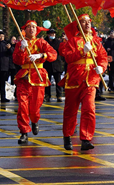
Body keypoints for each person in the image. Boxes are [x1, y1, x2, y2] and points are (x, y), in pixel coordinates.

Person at [59, 14, 108, 150]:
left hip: (91, 78)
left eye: (88, 22)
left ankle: (86, 138)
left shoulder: (96, 41)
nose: (87, 24)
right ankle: (67, 135)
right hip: (75, 78)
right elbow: (68, 57)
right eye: (83, 22)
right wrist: (82, 52)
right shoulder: (72, 41)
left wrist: (101, 67)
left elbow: (103, 57)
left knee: (89, 108)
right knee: (71, 110)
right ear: (78, 25)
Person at [12, 21, 57, 144]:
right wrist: (21, 48)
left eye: (33, 27)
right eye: (29, 27)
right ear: (25, 29)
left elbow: (54, 54)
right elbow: (16, 60)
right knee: (22, 106)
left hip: (38, 77)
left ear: (36, 29)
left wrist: (41, 55)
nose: (31, 29)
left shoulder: (41, 42)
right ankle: (24, 132)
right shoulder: (20, 43)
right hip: (24, 78)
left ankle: (35, 120)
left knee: (35, 107)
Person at [43, 29, 64, 102]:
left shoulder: (58, 42)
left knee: (58, 81)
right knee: (47, 81)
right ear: (48, 34)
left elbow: (61, 52)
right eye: (51, 34)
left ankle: (59, 95)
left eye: (54, 34)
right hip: (47, 64)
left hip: (56, 64)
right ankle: (47, 95)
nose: (53, 35)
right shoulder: (44, 42)